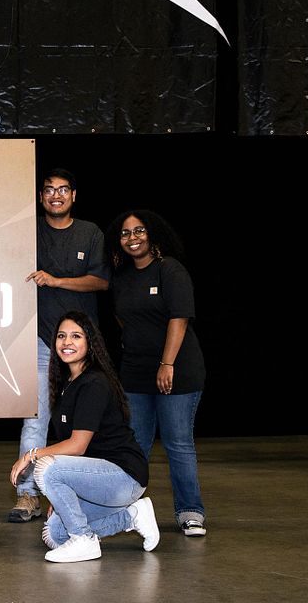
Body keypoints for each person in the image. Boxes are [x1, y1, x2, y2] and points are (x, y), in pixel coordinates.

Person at [9, 311, 160, 563]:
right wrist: (61, 496)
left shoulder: (94, 383)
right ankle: (133, 516)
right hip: (98, 478)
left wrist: (31, 455)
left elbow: (77, 446)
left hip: (124, 477)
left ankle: (83, 540)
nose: (67, 342)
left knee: (46, 467)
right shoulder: (67, 382)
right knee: (55, 534)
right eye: (61, 336)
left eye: (76, 336)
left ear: (90, 343)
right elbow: (82, 453)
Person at [11, 169, 109, 522]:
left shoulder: (90, 232)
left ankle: (88, 494)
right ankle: (27, 495)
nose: (56, 195)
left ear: (74, 195)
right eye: (49, 190)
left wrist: (56, 281)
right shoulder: (29, 230)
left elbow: (100, 281)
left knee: (89, 424)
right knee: (35, 421)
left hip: (82, 346)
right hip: (40, 342)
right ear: (41, 197)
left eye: (63, 189)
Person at [108, 209, 208, 537]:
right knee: (135, 445)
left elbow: (179, 318)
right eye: (125, 233)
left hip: (176, 372)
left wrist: (166, 363)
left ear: (152, 234)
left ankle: (190, 512)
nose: (132, 238)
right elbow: (122, 317)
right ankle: (127, 511)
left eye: (139, 231)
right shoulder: (121, 276)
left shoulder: (170, 270)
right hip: (135, 373)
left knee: (178, 443)